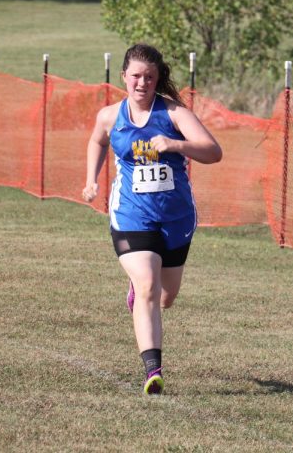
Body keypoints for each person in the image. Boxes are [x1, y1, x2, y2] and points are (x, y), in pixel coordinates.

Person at [82, 43, 222, 395]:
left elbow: (213, 151)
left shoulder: (175, 114)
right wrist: (91, 179)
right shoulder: (110, 116)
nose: (141, 83)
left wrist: (175, 146)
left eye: (149, 77)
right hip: (131, 214)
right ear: (124, 78)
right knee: (147, 284)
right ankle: (152, 371)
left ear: (157, 79)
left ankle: (141, 288)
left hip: (175, 217)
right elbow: (97, 141)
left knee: (165, 296)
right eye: (135, 76)